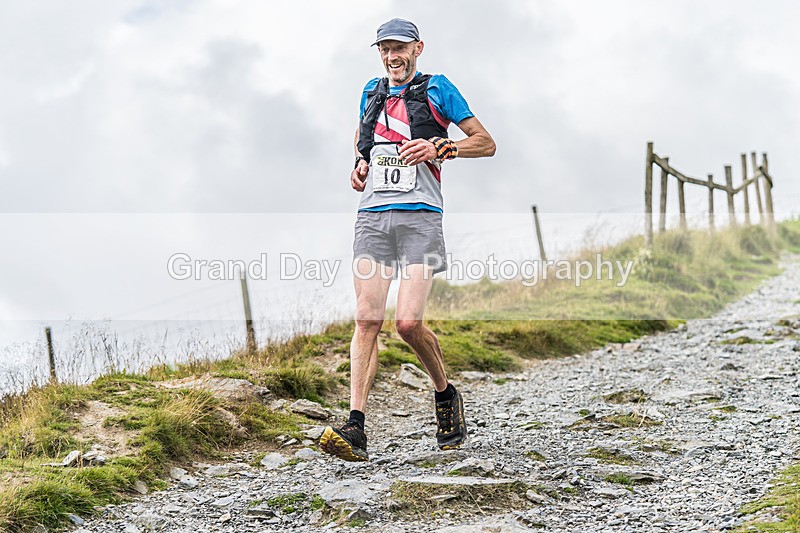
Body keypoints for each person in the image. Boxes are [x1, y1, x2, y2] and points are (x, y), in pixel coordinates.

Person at [319, 18, 496, 462]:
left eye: (399, 48)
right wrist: (359, 168)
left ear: (418, 48)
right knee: (366, 319)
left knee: (408, 324)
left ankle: (445, 394)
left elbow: (486, 142)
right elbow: (367, 151)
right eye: (384, 49)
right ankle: (356, 427)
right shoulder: (370, 92)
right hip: (372, 219)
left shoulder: (438, 89)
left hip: (421, 218)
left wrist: (442, 147)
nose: (391, 56)